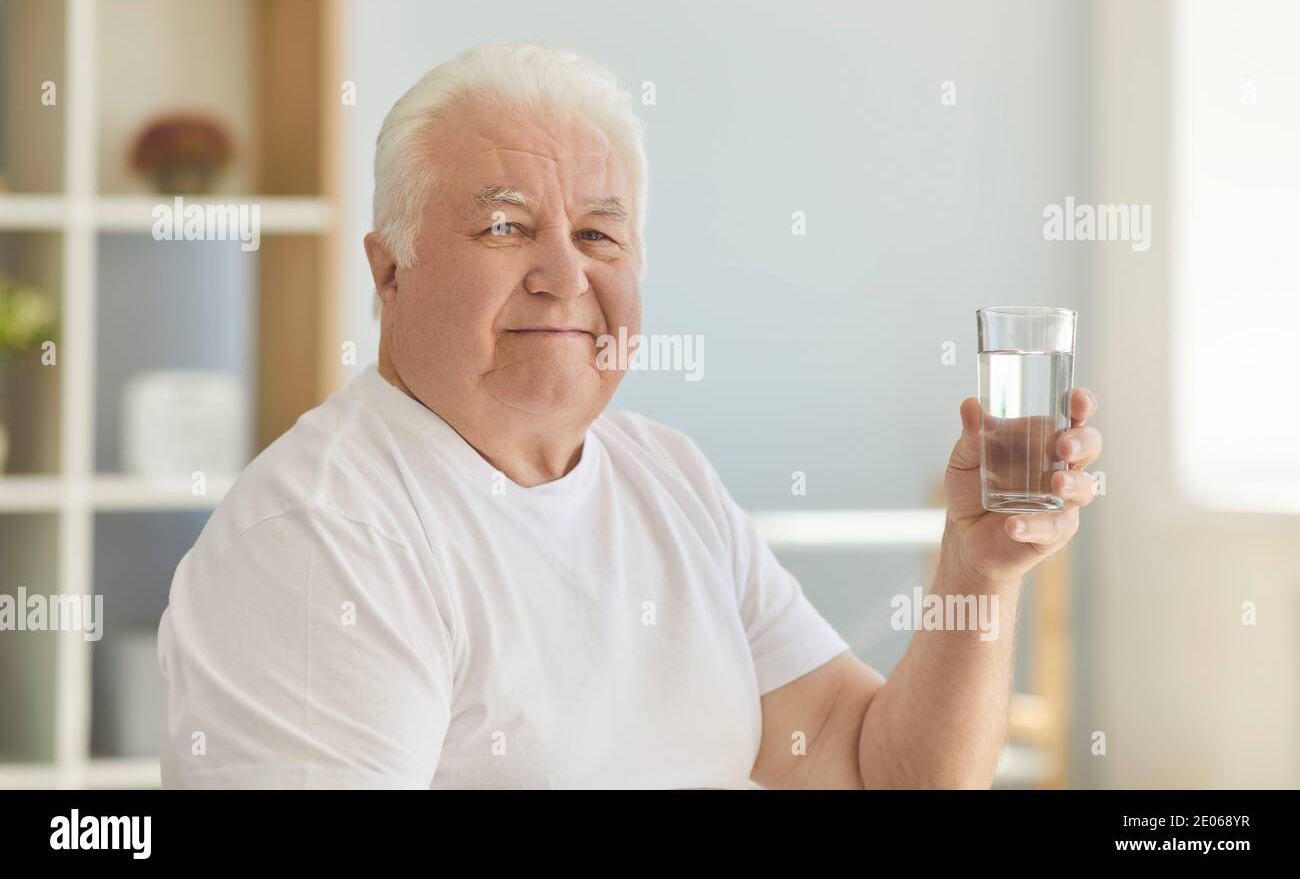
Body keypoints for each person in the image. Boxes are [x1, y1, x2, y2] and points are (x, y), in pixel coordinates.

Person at [157, 42, 1103, 789]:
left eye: (599, 234)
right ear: (388, 272)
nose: (564, 277)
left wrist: (978, 569)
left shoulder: (666, 475)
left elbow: (871, 770)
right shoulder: (324, 535)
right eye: (503, 226)